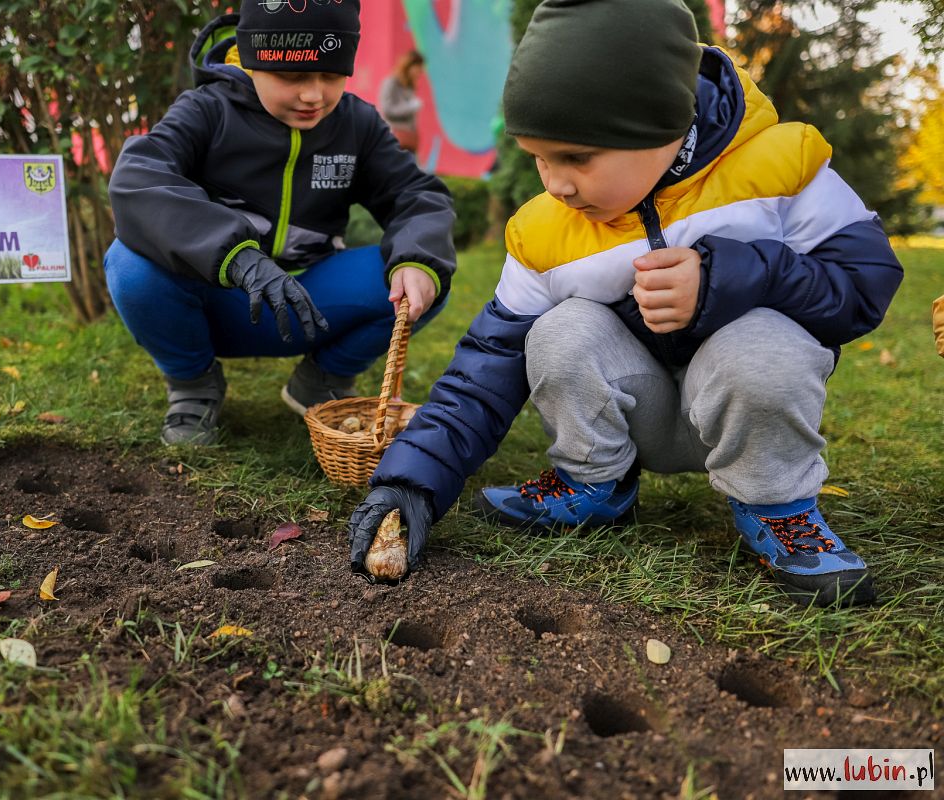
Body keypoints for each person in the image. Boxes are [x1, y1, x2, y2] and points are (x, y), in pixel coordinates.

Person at [348, 0, 903, 607]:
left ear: (663, 125)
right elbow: (487, 365)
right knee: (561, 329)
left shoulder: (782, 166)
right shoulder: (544, 231)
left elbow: (865, 284)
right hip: (638, 410)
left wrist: (736, 275)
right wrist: (413, 484)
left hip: (745, 410)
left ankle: (778, 507)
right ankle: (595, 482)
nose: (556, 184)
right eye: (539, 156)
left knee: (762, 343)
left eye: (577, 158)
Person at [105, 0, 455, 445]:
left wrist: (416, 259)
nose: (314, 95)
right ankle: (193, 385)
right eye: (292, 77)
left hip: (310, 304)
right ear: (252, 63)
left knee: (424, 273)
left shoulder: (357, 122)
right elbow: (139, 178)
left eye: (331, 76)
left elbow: (418, 195)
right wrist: (237, 256)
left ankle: (322, 378)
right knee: (128, 264)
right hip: (219, 302)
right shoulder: (206, 110)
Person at [379, 50, 426, 154]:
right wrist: (410, 107)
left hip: (408, 140)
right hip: (393, 138)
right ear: (409, 66)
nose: (418, 74)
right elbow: (387, 110)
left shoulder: (410, 86)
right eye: (417, 70)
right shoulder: (391, 83)